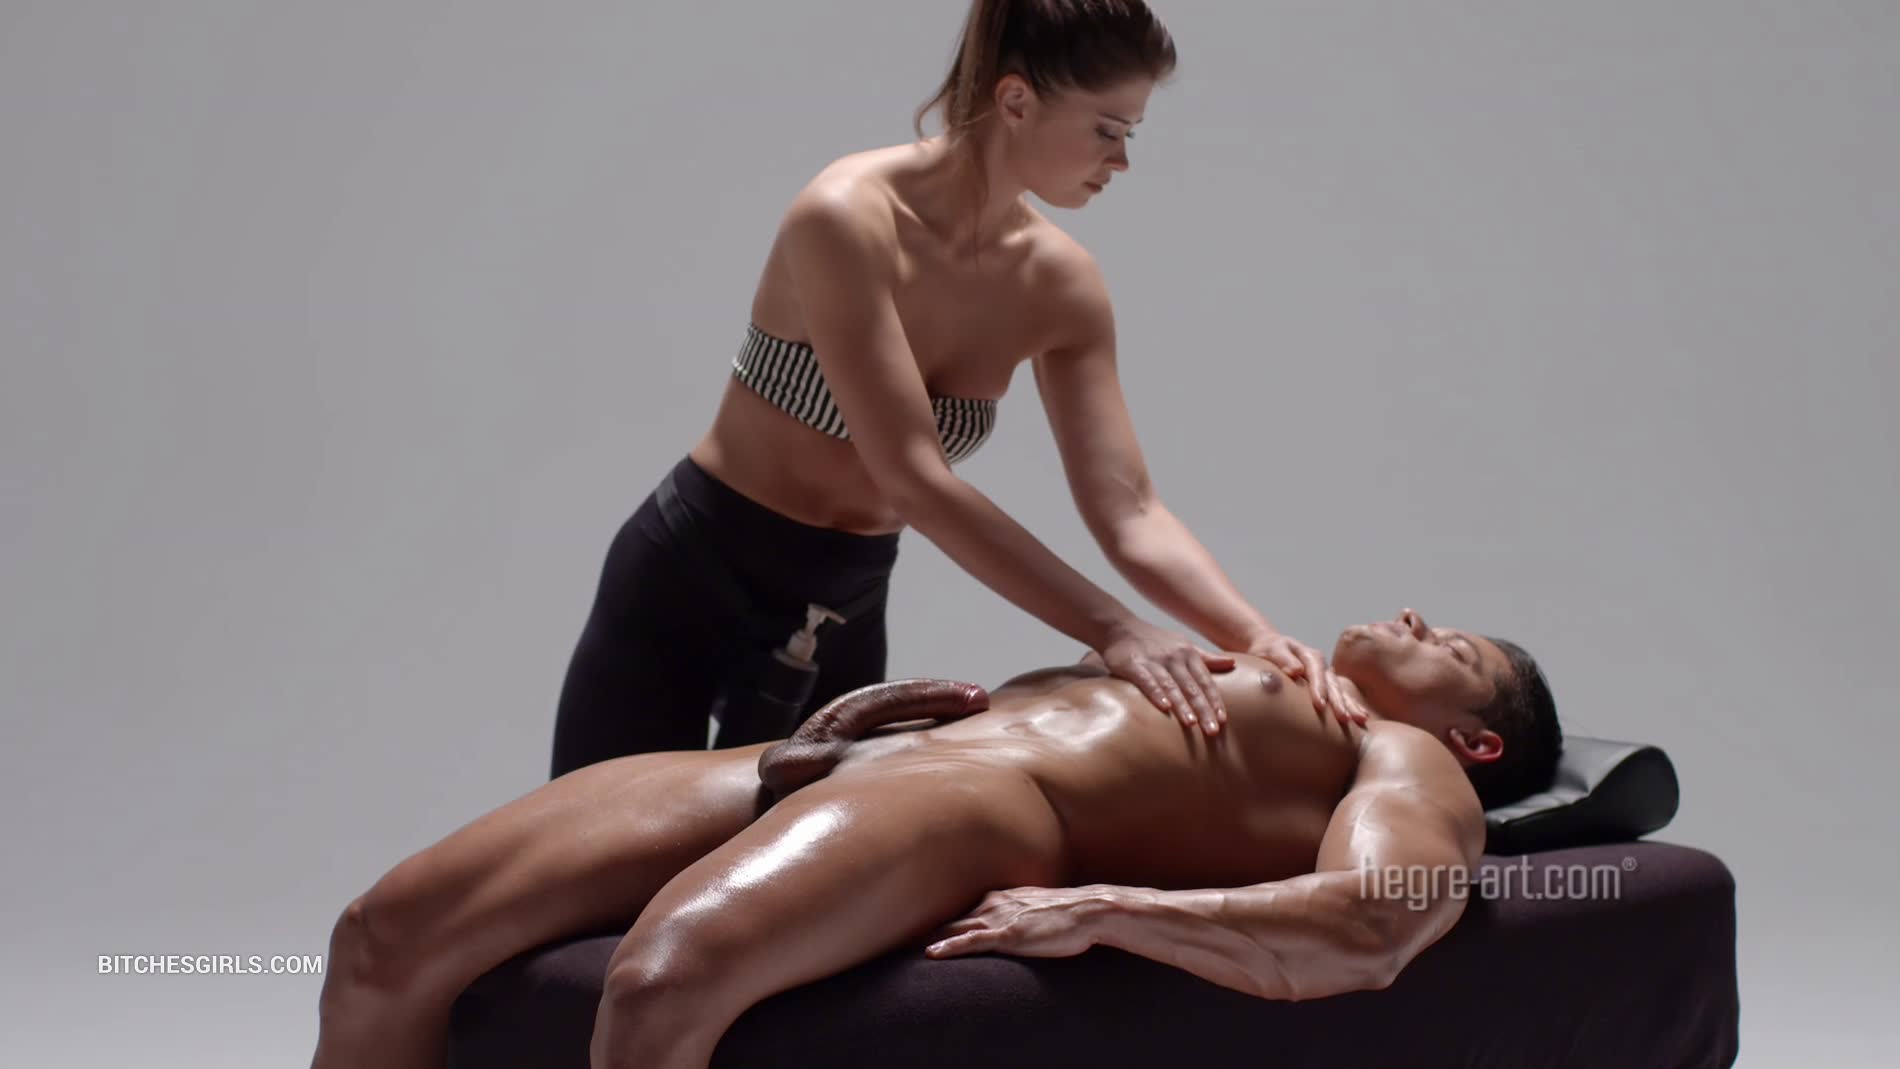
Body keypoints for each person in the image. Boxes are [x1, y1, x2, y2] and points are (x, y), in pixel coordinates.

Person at [549, 0, 1365, 777]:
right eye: (1108, 130)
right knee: (591, 868)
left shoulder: (1062, 284)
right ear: (1015, 100)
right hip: (691, 582)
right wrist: (1116, 628)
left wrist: (1256, 636)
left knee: (810, 873)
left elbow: (1130, 510)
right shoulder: (847, 216)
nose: (1122, 160)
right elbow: (915, 478)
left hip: (844, 610)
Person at [311, 608, 1562, 1069]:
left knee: (657, 988)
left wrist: (1113, 909)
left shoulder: (1403, 760)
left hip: (980, 803)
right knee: (381, 937)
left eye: (1453, 646)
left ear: (1476, 739)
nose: (1414, 614)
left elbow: (1374, 922)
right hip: (841, 756)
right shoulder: (1269, 663)